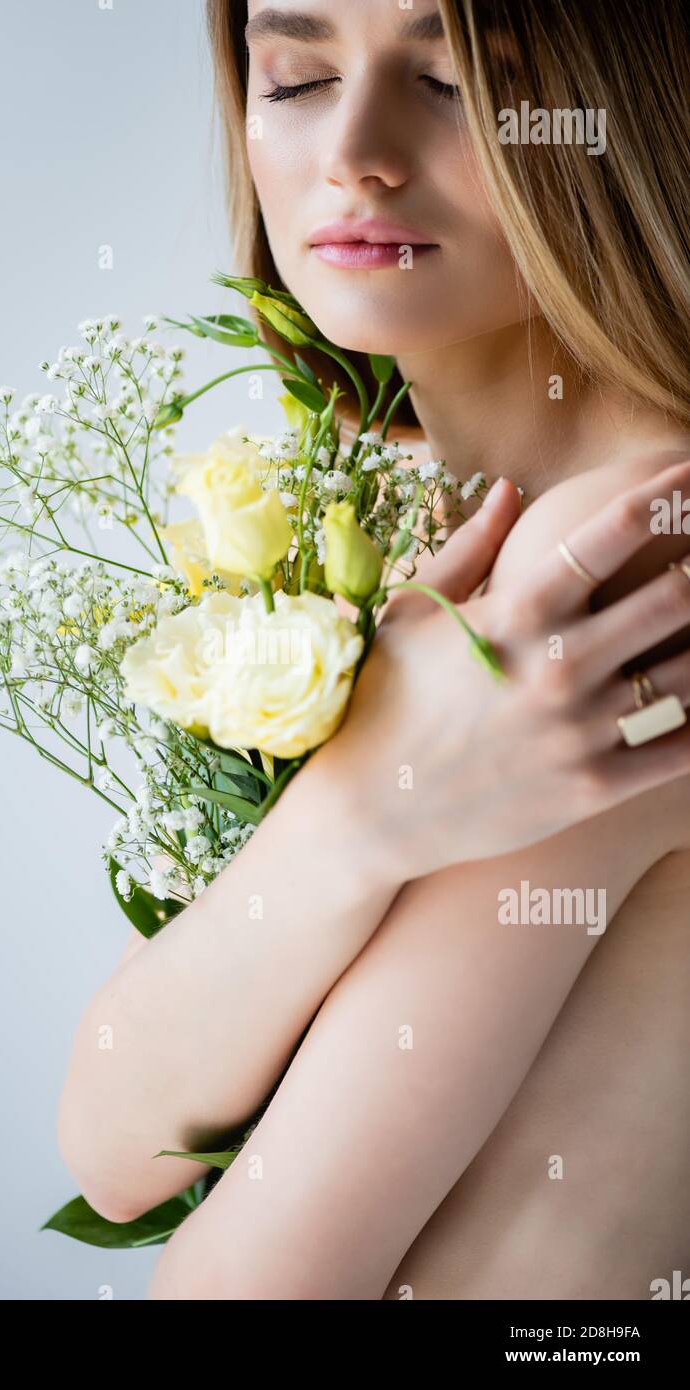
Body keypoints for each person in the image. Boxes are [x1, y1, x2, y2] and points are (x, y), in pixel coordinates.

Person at [57, 0, 690, 1298]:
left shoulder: (619, 563)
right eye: (294, 75)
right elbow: (117, 1146)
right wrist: (359, 812)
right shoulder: (385, 520)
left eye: (454, 82)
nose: (354, 151)